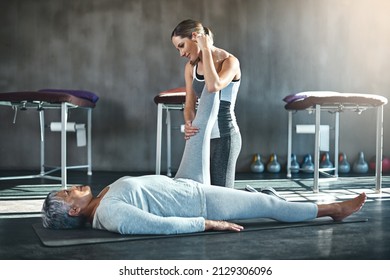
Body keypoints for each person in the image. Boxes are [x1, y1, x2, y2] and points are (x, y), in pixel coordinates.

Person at [41, 174, 367, 235]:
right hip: (201, 202)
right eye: (69, 194)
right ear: (73, 211)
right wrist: (209, 223)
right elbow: (159, 226)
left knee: (198, 121)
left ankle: (204, 57)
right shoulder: (110, 214)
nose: (73, 188)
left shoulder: (101, 199)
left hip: (186, 184)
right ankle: (332, 210)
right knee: (268, 203)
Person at [171, 19, 242, 188]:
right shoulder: (190, 68)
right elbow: (189, 104)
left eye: (181, 45)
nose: (181, 54)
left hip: (225, 137)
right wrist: (188, 122)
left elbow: (213, 85)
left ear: (195, 37)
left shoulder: (230, 61)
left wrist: (205, 49)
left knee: (222, 200)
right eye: (177, 49)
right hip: (202, 138)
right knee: (201, 194)